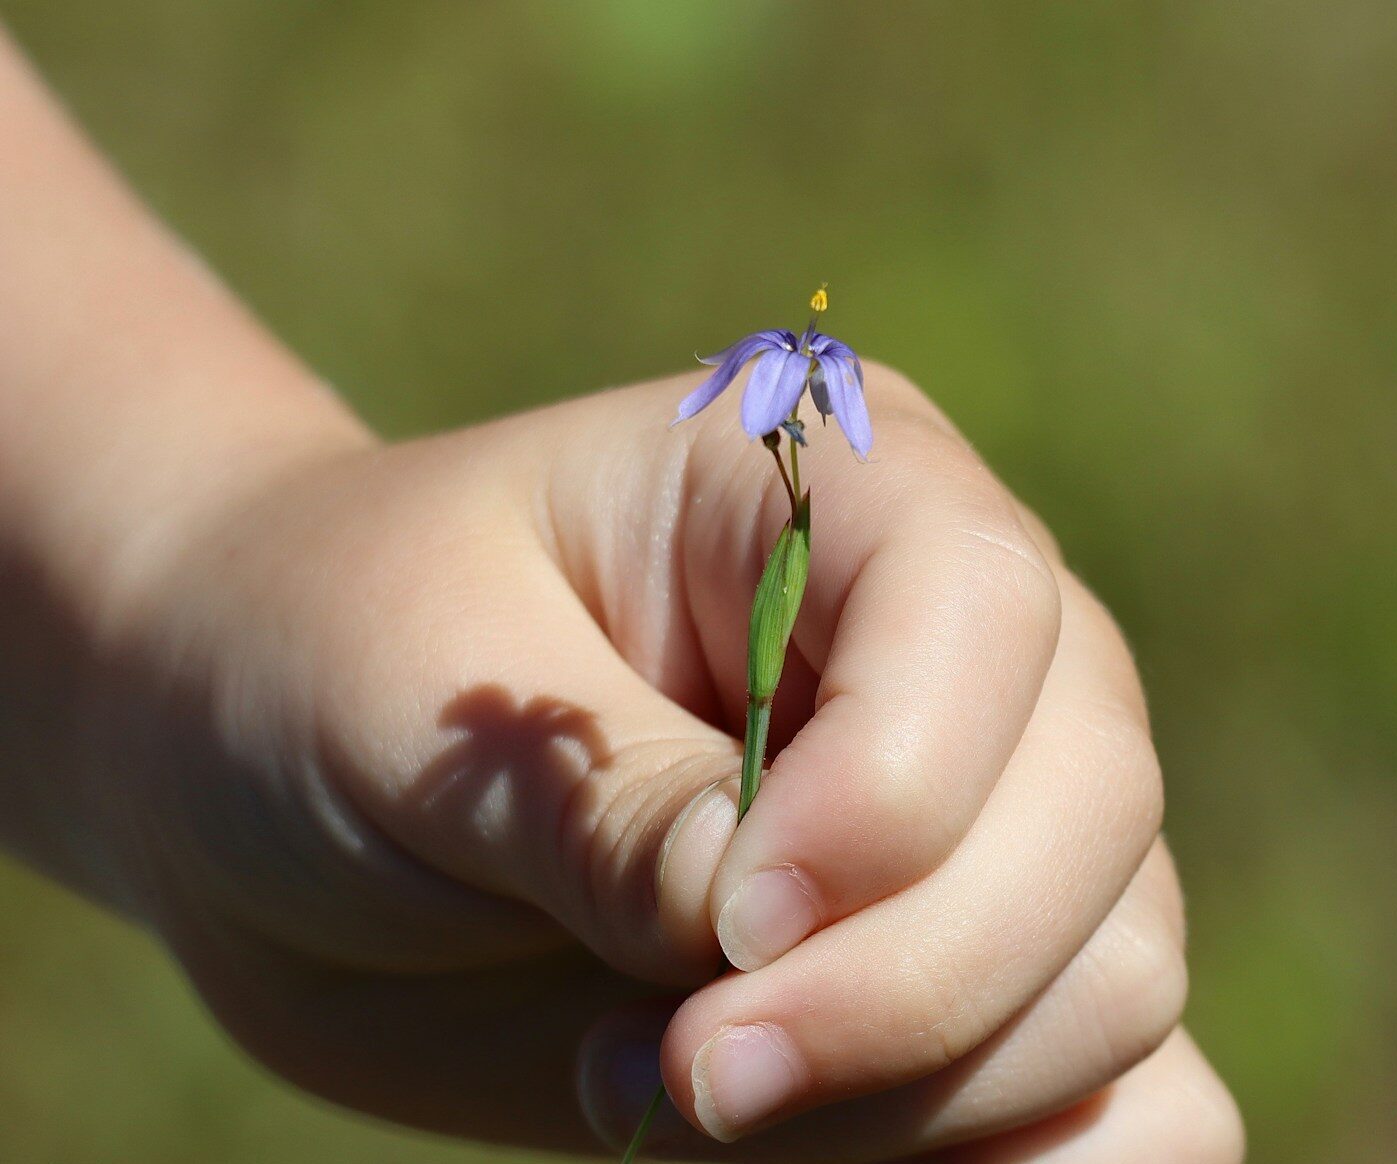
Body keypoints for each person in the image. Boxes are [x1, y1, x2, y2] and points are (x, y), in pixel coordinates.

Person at [0, 27, 1242, 1164]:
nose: (801, 376)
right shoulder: (782, 396)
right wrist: (168, 576)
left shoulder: (797, 398)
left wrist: (174, 567)